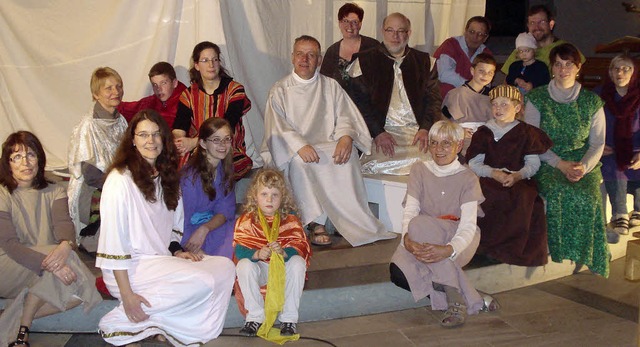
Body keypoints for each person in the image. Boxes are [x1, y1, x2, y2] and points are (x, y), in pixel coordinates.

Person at [96, 110, 235, 346]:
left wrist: (177, 252)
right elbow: (114, 242)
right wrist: (127, 295)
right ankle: (121, 322)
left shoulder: (165, 177)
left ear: (164, 139)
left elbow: (172, 228)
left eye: (156, 134)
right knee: (203, 281)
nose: (150, 141)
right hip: (130, 268)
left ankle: (167, 324)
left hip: (158, 262)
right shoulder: (119, 180)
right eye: (143, 135)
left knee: (224, 268)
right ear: (133, 140)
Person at [261, 35, 395, 247]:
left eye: (311, 55)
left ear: (320, 60)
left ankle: (351, 218)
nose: (305, 59)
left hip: (327, 143)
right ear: (292, 57)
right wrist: (299, 145)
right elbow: (276, 127)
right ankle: (316, 222)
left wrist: (345, 136)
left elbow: (345, 116)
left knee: (347, 153)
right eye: (300, 54)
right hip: (296, 149)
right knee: (300, 162)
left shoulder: (330, 86)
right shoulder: (280, 90)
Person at [389, 120, 498, 329]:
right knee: (398, 273)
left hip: (456, 237)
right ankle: (466, 293)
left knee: (418, 226)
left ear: (459, 146)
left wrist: (448, 250)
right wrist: (406, 239)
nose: (439, 149)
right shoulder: (419, 170)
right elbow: (410, 212)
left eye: (446, 143)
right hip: (420, 236)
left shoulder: (468, 178)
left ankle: (456, 302)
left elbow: (467, 226)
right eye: (434, 143)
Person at [0, 131, 101, 347]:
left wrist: (66, 246)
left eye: (30, 155)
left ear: (39, 158)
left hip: (50, 263)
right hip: (11, 264)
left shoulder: (55, 190)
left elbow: (64, 225)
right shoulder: (2, 193)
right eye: (16, 157)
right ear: (8, 164)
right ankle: (22, 326)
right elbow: (10, 245)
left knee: (83, 291)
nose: (25, 162)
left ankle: (19, 321)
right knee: (79, 273)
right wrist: (54, 263)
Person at [525, 43, 609, 277]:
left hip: (582, 161)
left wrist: (583, 166)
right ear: (552, 67)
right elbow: (533, 139)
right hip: (548, 160)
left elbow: (597, 143)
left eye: (568, 64)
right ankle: (559, 250)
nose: (563, 69)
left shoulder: (592, 101)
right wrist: (559, 164)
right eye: (558, 64)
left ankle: (587, 252)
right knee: (558, 191)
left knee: (588, 194)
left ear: (578, 67)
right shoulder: (537, 97)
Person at [466, 85, 552, 266]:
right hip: (490, 177)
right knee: (487, 195)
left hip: (517, 178)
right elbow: (475, 163)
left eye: (505, 104)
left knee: (524, 198)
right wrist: (493, 173)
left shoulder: (527, 133)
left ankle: (511, 249)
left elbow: (533, 164)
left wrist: (518, 176)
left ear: (517, 108)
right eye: (495, 105)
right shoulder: (484, 132)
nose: (499, 109)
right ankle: (484, 246)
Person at [349, 12, 443, 175]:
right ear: (382, 31)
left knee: (434, 161)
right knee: (373, 165)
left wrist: (426, 128)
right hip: (380, 133)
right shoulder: (364, 62)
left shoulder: (425, 62)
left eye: (401, 31)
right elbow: (359, 105)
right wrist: (378, 132)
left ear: (409, 33)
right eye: (390, 30)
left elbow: (434, 101)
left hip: (416, 133)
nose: (395, 36)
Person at [233, 168, 311, 341]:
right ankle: (254, 317)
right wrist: (256, 254)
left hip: (282, 271)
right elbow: (239, 249)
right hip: (260, 270)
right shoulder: (247, 220)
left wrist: (285, 252)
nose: (269, 199)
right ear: (255, 196)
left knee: (298, 262)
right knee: (244, 265)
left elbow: (300, 246)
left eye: (275, 194)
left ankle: (289, 319)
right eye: (264, 194)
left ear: (282, 197)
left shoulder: (290, 220)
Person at [68, 67, 128, 252]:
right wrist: (121, 186)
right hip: (92, 191)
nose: (116, 92)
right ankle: (93, 239)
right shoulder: (88, 126)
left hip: (117, 184)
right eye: (108, 88)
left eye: (118, 86)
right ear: (96, 94)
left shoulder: (121, 121)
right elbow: (91, 176)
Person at [173, 41, 252, 179]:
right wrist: (179, 142)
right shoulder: (188, 95)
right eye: (205, 60)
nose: (211, 65)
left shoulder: (235, 90)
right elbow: (180, 126)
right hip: (198, 149)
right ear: (197, 65)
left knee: (212, 163)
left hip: (227, 148)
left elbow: (227, 126)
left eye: (215, 59)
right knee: (175, 164)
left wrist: (194, 142)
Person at [180, 117, 236, 259]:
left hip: (212, 227)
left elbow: (225, 211)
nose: (223, 144)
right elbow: (180, 220)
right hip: (189, 231)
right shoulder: (189, 178)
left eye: (227, 139)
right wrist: (190, 244)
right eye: (216, 140)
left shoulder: (225, 169)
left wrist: (205, 228)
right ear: (203, 143)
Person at [597, 55, 640, 236]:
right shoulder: (599, 95)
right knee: (613, 164)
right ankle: (620, 214)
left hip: (636, 149)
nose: (620, 72)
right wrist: (597, 146)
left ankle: (638, 210)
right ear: (610, 72)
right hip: (609, 148)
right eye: (616, 68)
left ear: (634, 73)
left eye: (626, 68)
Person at [501, 5, 585, 75]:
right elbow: (507, 81)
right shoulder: (520, 50)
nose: (537, 27)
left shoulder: (566, 48)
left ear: (551, 25)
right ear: (528, 26)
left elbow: (577, 79)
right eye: (532, 23)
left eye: (542, 22)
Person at [441, 53, 496, 155]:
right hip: (461, 141)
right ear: (472, 71)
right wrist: (458, 130)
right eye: (481, 71)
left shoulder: (493, 98)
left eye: (490, 73)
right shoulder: (456, 94)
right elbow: (443, 121)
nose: (485, 75)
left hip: (486, 142)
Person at [319, 2, 379, 90]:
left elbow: (384, 79)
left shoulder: (373, 47)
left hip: (369, 103)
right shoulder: (332, 52)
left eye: (354, 22)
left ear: (360, 24)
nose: (349, 26)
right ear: (339, 23)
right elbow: (324, 83)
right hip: (339, 103)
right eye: (345, 21)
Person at [433, 16, 493, 99]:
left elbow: (486, 83)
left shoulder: (486, 54)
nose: (474, 37)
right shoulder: (450, 45)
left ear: (485, 38)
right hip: (444, 99)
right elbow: (443, 74)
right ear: (465, 31)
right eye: (471, 32)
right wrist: (470, 86)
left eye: (480, 34)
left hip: (471, 100)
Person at [118, 61, 188, 128]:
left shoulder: (188, 103)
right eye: (155, 85)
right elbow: (127, 109)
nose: (158, 89)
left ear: (175, 83)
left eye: (163, 83)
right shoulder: (152, 102)